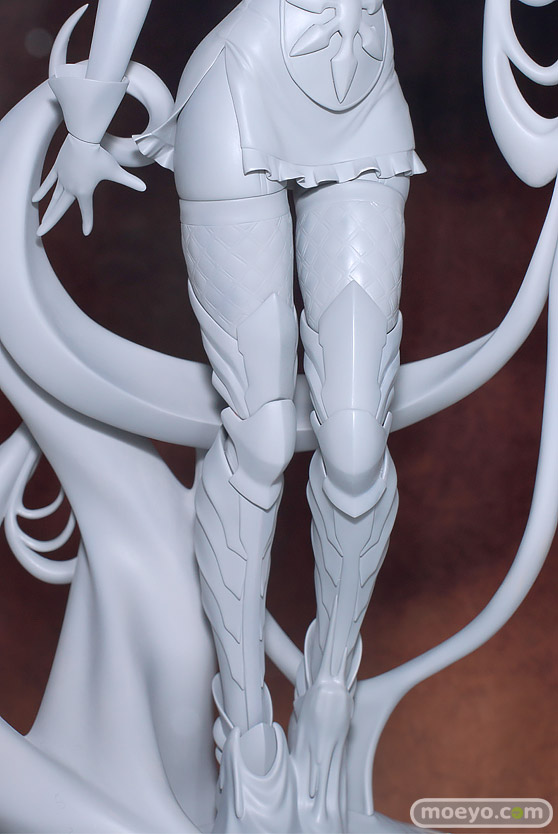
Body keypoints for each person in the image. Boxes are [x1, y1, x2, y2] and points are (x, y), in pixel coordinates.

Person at [35, 1, 424, 829]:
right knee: (262, 433)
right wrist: (87, 122)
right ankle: (247, 737)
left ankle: (328, 705)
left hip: (365, 96)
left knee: (358, 444)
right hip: (238, 93)